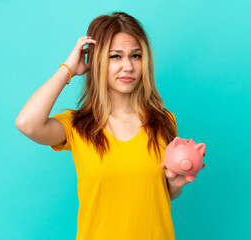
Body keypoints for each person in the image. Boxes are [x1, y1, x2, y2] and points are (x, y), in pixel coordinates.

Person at [15, 11, 203, 240]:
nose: (128, 67)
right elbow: (27, 123)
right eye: (115, 56)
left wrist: (175, 184)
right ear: (97, 60)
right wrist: (68, 69)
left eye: (135, 56)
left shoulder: (164, 121)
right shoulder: (77, 126)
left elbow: (158, 194)